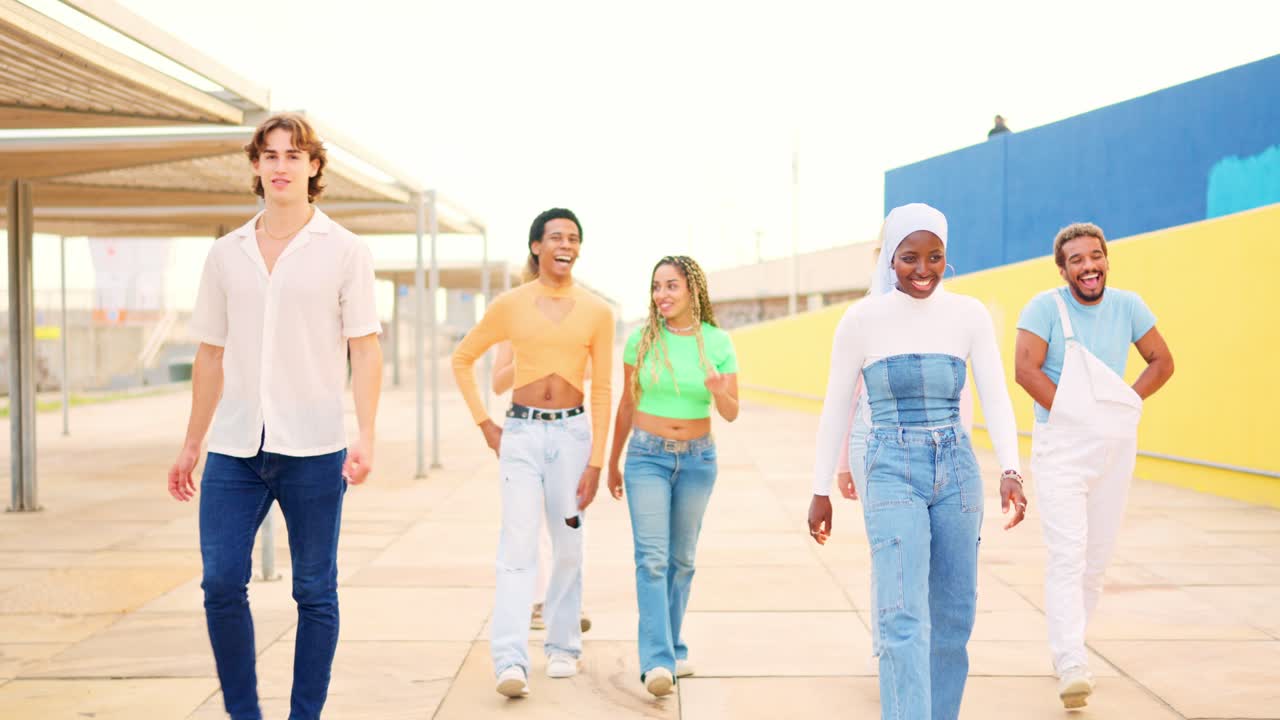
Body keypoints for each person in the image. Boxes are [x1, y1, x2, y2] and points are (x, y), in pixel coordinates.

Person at [167, 113, 382, 720]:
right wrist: (191, 445)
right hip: (235, 448)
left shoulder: (344, 250)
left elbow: (365, 349)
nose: (281, 165)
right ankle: (244, 713)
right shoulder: (225, 254)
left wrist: (365, 434)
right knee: (219, 584)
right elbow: (210, 355)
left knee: (314, 592)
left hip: (315, 446)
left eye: (294, 155)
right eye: (270, 155)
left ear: (314, 167)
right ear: (255, 166)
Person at [808, 203, 1027, 720]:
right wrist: (821, 488)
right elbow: (838, 403)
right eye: (909, 257)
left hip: (957, 468)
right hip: (890, 465)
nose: (923, 269)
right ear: (889, 258)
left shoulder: (968, 315)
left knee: (953, 618)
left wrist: (1011, 469)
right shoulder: (861, 319)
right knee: (902, 616)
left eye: (935, 257)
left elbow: (995, 395)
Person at [451, 208, 614, 698]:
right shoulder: (510, 304)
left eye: (573, 238)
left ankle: (563, 648)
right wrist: (485, 423)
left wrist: (597, 461)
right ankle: (510, 659)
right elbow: (462, 359)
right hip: (520, 435)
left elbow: (604, 389)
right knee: (517, 548)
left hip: (573, 436)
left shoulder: (597, 311)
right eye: (556, 237)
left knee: (568, 546)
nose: (566, 244)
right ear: (536, 247)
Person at [1014, 222, 1174, 709]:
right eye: (1077, 260)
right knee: (1068, 553)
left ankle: (1070, 643)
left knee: (1096, 561)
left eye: (1095, 256)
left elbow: (1161, 361)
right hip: (1062, 446)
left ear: (1107, 260)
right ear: (1062, 269)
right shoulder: (1045, 308)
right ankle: (1071, 662)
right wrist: (1075, 413)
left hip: (1115, 445)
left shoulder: (1128, 305)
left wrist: (1124, 402)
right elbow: (1025, 370)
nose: (1089, 266)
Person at [607, 255, 739, 697]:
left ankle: (673, 647)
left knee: (682, 561)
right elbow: (627, 405)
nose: (661, 295)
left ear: (692, 290)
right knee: (652, 559)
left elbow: (731, 412)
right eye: (656, 287)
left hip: (699, 460)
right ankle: (658, 662)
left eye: (671, 286)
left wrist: (721, 394)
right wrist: (611, 461)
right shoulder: (641, 340)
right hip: (646, 457)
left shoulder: (717, 342)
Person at [491, 338, 593, 634]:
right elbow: (498, 383)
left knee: (570, 522)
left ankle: (568, 600)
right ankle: (537, 601)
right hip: (525, 432)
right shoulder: (514, 329)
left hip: (568, 430)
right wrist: (528, 358)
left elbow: (588, 373)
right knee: (527, 525)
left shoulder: (575, 321)